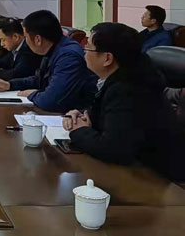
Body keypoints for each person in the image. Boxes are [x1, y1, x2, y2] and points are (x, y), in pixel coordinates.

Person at [63, 22, 185, 181]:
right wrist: (81, 115)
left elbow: (114, 150)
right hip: (137, 167)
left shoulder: (128, 88)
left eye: (88, 47)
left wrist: (79, 131)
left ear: (107, 58)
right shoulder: (125, 76)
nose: (84, 51)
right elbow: (110, 115)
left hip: (153, 178)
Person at [0, 10, 97, 113]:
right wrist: (9, 85)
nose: (25, 41)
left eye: (26, 37)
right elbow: (39, 79)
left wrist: (33, 94)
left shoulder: (68, 56)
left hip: (78, 115)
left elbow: (51, 100)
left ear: (38, 39)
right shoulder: (52, 49)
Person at [0, 18, 42, 82]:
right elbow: (5, 60)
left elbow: (17, 74)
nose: (1, 44)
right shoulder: (16, 48)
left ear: (16, 37)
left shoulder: (28, 50)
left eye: (3, 40)